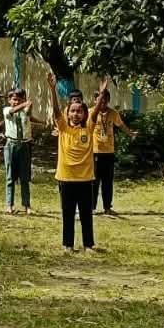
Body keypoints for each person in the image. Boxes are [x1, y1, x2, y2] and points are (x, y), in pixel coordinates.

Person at [48, 72, 107, 252]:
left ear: (84, 114)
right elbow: (56, 110)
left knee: (86, 214)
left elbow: (95, 112)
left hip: (85, 179)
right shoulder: (63, 128)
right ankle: (68, 245)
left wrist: (101, 94)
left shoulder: (88, 127)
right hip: (66, 178)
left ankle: (88, 245)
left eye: (79, 111)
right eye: (72, 111)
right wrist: (52, 89)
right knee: (68, 213)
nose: (75, 114)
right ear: (67, 114)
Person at [90, 87, 137, 215]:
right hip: (94, 151)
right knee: (94, 181)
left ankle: (107, 207)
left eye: (105, 100)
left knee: (107, 181)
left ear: (109, 100)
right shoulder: (90, 113)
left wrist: (131, 134)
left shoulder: (113, 113)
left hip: (109, 152)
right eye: (100, 100)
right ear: (95, 100)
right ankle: (91, 207)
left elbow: (121, 125)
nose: (103, 103)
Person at [0, 88, 45, 215]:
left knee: (25, 177)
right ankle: (9, 204)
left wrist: (30, 108)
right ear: (9, 100)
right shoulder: (7, 110)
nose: (17, 102)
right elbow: (13, 111)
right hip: (11, 144)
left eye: (20, 99)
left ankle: (26, 205)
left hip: (24, 145)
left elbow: (28, 115)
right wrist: (24, 104)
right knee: (10, 176)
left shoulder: (24, 110)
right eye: (14, 99)